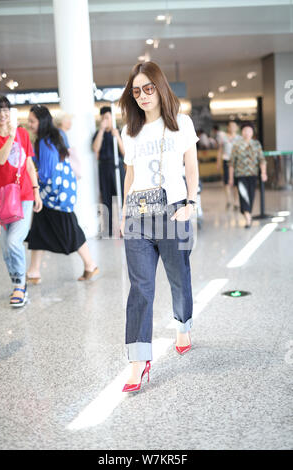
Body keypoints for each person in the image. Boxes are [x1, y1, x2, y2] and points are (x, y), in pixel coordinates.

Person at [119, 61, 199, 392]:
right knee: (140, 288)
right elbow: (131, 173)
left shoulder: (181, 123)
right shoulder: (129, 131)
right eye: (136, 91)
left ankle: (183, 324)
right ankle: (139, 361)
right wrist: (123, 212)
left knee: (178, 276)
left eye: (148, 88)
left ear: (160, 87)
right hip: (138, 215)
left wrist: (191, 204)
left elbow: (190, 165)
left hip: (174, 210)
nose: (142, 96)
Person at [26, 105, 98, 282]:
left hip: (54, 195)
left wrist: (32, 176)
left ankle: (90, 265)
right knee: (40, 228)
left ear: (42, 122)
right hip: (61, 192)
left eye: (32, 121)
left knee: (69, 229)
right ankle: (34, 271)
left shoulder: (45, 141)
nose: (29, 124)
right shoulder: (54, 136)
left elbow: (47, 172)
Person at [0, 96, 42, 307]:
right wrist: (11, 136)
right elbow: (0, 159)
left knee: (14, 242)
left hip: (23, 196)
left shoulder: (22, 134)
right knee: (5, 247)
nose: (2, 114)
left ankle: (21, 286)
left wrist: (36, 191)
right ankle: (17, 282)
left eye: (5, 110)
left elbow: (29, 165)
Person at [92, 106, 125, 237]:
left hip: (118, 167)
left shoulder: (119, 132)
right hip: (104, 168)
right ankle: (109, 229)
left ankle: (124, 227)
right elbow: (95, 149)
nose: (104, 121)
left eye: (107, 118)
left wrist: (117, 136)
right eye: (102, 118)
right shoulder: (98, 134)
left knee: (122, 197)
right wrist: (101, 130)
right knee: (106, 198)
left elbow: (125, 152)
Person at [229, 122, 267, 228]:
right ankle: (248, 219)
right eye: (245, 130)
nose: (247, 133)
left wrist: (263, 173)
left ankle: (247, 213)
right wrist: (231, 178)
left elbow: (262, 160)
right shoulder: (236, 145)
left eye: (249, 131)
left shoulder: (256, 144)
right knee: (243, 195)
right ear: (242, 132)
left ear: (252, 132)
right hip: (240, 175)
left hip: (252, 175)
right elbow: (231, 163)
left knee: (251, 196)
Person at [217, 121, 240, 209]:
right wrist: (218, 162)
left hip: (237, 162)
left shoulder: (239, 138)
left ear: (237, 128)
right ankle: (229, 201)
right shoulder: (223, 138)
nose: (232, 128)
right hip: (226, 161)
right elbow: (220, 150)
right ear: (228, 128)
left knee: (236, 183)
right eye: (230, 126)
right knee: (226, 182)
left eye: (234, 126)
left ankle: (236, 202)